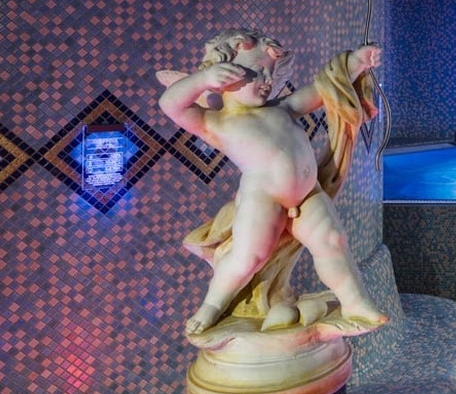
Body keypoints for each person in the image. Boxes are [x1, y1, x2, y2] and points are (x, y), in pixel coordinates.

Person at [159, 28, 387, 336]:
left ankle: (355, 303)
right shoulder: (216, 122)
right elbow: (171, 104)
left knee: (333, 242)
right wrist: (202, 80)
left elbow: (324, 87)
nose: (267, 80)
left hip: (308, 195)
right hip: (263, 198)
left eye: (270, 72)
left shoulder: (283, 109)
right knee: (248, 257)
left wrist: (358, 62)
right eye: (256, 71)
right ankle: (211, 306)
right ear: (223, 73)